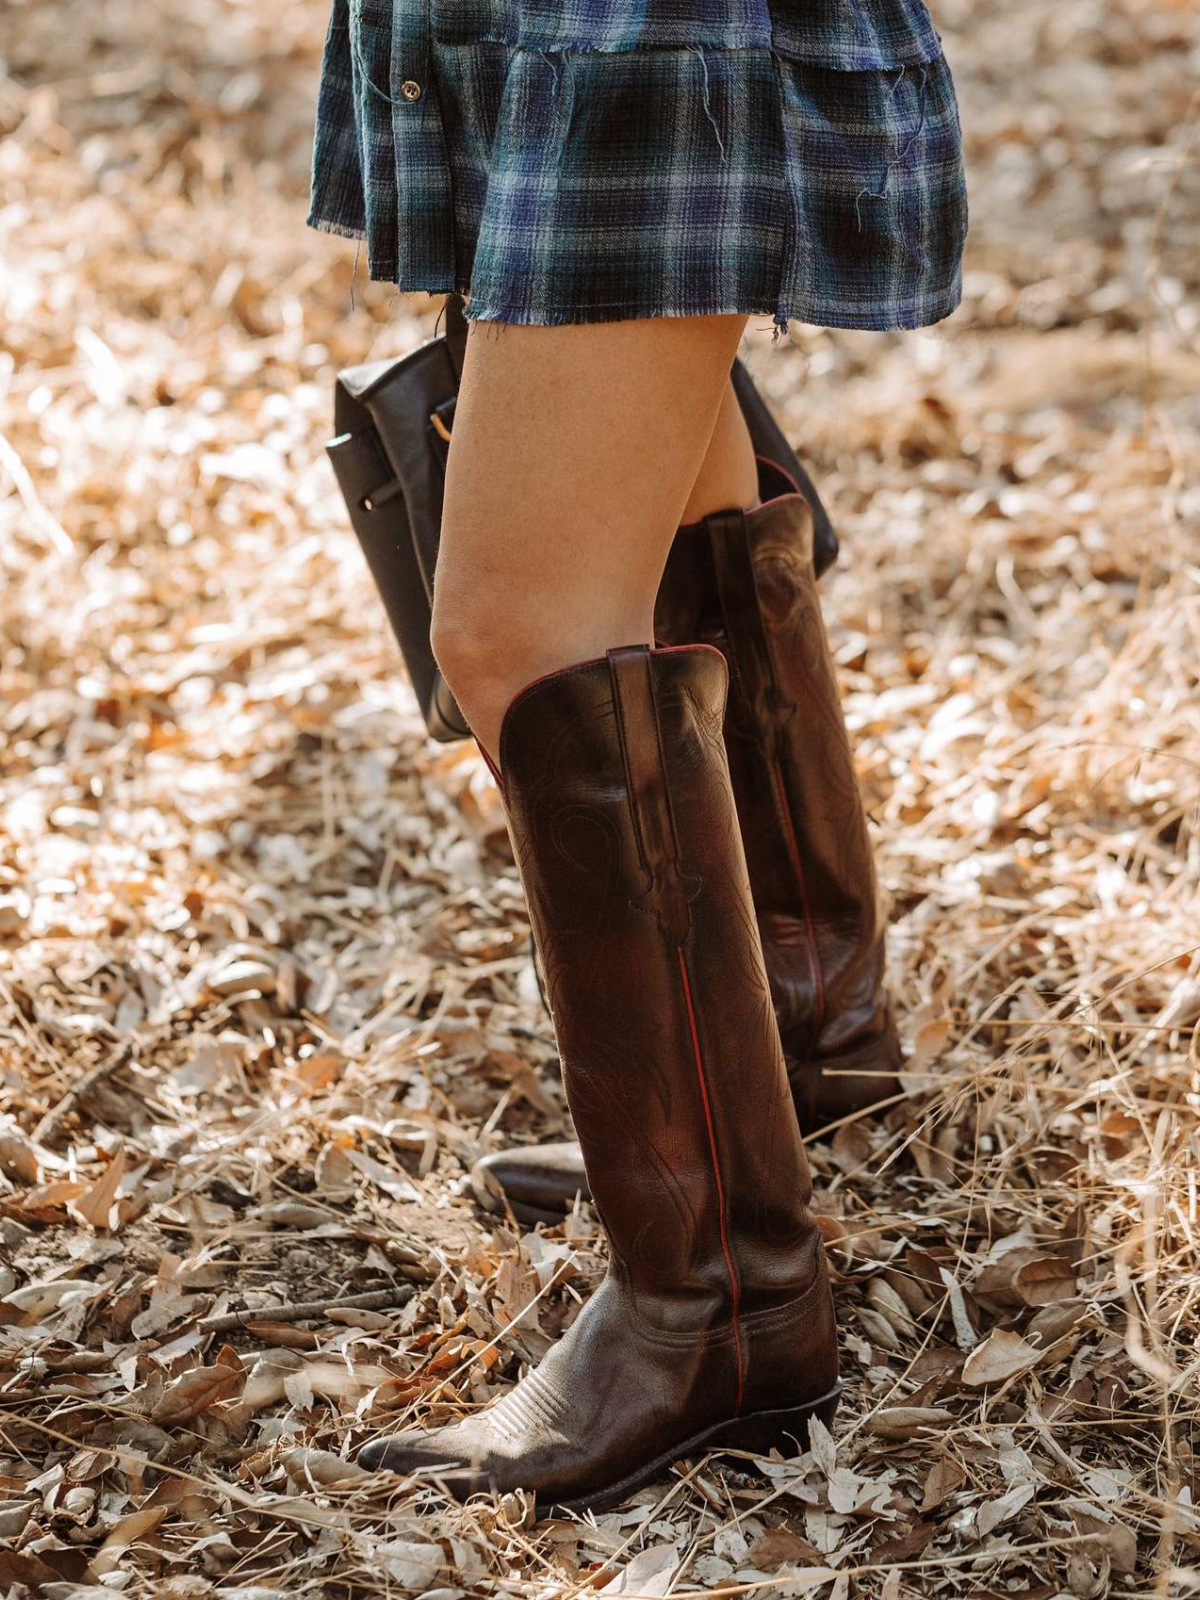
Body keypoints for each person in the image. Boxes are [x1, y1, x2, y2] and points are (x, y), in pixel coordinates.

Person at [307, 0, 967, 1511]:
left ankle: (717, 1308)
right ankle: (801, 1023)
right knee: (673, 508)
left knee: (523, 634)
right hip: (571, 30)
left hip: (641, 32)